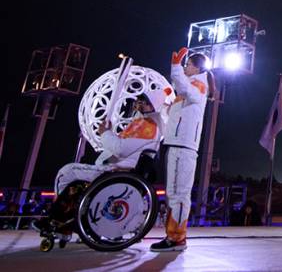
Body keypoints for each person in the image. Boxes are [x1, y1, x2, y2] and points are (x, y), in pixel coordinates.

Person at [33, 92, 165, 236]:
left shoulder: (148, 126)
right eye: (138, 99)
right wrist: (109, 133)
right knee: (75, 183)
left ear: (151, 105)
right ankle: (65, 220)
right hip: (116, 169)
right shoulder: (142, 123)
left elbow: (119, 149)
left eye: (142, 100)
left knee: (67, 172)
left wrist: (104, 133)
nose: (138, 102)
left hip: (118, 172)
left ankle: (58, 220)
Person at [150, 47, 210, 253]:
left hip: (185, 146)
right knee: (172, 193)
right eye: (184, 65)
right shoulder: (186, 89)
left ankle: (177, 237)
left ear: (197, 68)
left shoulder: (200, 85)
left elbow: (186, 90)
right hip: (175, 144)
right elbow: (172, 116)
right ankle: (173, 235)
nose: (185, 67)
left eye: (188, 65)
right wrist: (165, 101)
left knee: (180, 193)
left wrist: (175, 69)